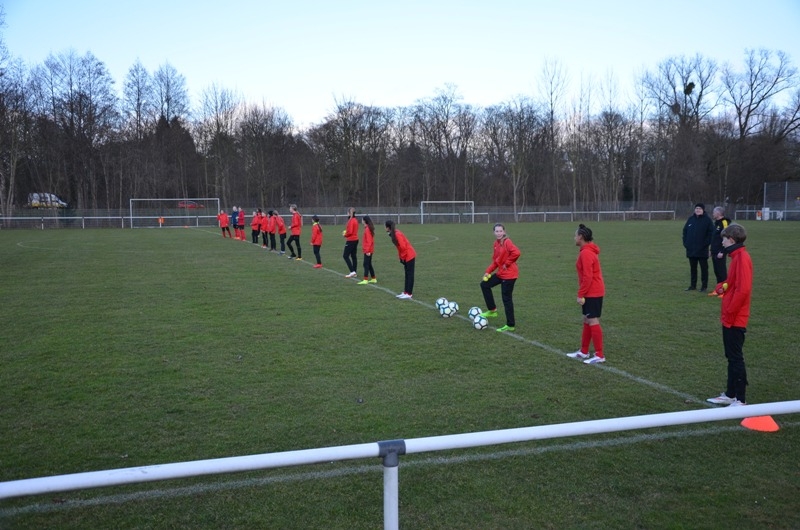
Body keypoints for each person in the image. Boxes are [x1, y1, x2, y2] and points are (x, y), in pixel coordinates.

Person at [706, 223, 752, 406]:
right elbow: (733, 283)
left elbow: (743, 290)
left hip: (735, 318)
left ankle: (740, 399)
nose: (722, 242)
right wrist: (722, 286)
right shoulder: (736, 257)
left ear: (731, 240)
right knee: (731, 355)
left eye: (724, 239)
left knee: (735, 357)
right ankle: (731, 394)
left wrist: (730, 311)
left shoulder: (741, 258)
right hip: (730, 316)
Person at [566, 224, 607, 364]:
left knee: (592, 320)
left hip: (593, 291)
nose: (574, 238)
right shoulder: (586, 251)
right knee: (586, 319)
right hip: (591, 290)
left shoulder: (586, 253)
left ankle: (599, 354)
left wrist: (580, 294)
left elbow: (588, 276)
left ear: (581, 237)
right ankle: (584, 351)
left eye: (575, 235)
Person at [479, 223, 521, 332]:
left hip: (510, 275)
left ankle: (510, 325)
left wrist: (507, 263)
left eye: (500, 231)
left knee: (506, 299)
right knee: (484, 285)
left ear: (504, 232)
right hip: (501, 273)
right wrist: (487, 272)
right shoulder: (496, 244)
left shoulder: (507, 242)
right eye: (497, 231)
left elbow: (516, 253)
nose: (499, 233)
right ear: (493, 232)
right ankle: (492, 310)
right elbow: (496, 261)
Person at [682, 203, 714, 292]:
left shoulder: (707, 220)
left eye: (700, 208)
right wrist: (686, 243)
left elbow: (711, 234)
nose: (698, 210)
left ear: (703, 210)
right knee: (693, 268)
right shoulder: (690, 219)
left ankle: (704, 286)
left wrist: (705, 244)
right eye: (696, 208)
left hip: (702, 249)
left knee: (704, 268)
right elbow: (685, 231)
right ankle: (693, 285)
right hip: (691, 249)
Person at [385, 220, 415, 299]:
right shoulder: (393, 234)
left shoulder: (397, 234)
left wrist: (403, 257)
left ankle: (409, 293)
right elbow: (399, 248)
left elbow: (403, 247)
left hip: (409, 255)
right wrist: (401, 258)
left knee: (410, 275)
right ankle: (406, 292)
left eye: (385, 227)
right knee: (407, 274)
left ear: (388, 227)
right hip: (406, 256)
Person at [709, 206, 731, 296]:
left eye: (714, 212)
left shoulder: (724, 223)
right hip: (714, 251)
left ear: (718, 213)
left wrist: (722, 251)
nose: (713, 214)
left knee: (722, 272)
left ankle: (725, 291)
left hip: (720, 252)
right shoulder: (716, 223)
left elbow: (726, 237)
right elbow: (714, 238)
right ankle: (718, 289)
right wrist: (711, 250)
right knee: (717, 271)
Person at [358, 215, 377, 284]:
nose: (361, 221)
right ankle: (373, 278)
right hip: (368, 249)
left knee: (365, 264)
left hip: (368, 250)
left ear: (365, 221)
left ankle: (365, 279)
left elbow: (369, 241)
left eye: (362, 220)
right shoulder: (367, 228)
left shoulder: (367, 229)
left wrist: (367, 251)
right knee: (368, 264)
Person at [342, 207, 360, 278]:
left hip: (351, 240)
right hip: (355, 239)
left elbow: (350, 232)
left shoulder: (351, 220)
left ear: (349, 213)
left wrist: (345, 234)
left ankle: (352, 271)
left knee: (345, 255)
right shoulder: (355, 220)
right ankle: (354, 272)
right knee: (353, 256)